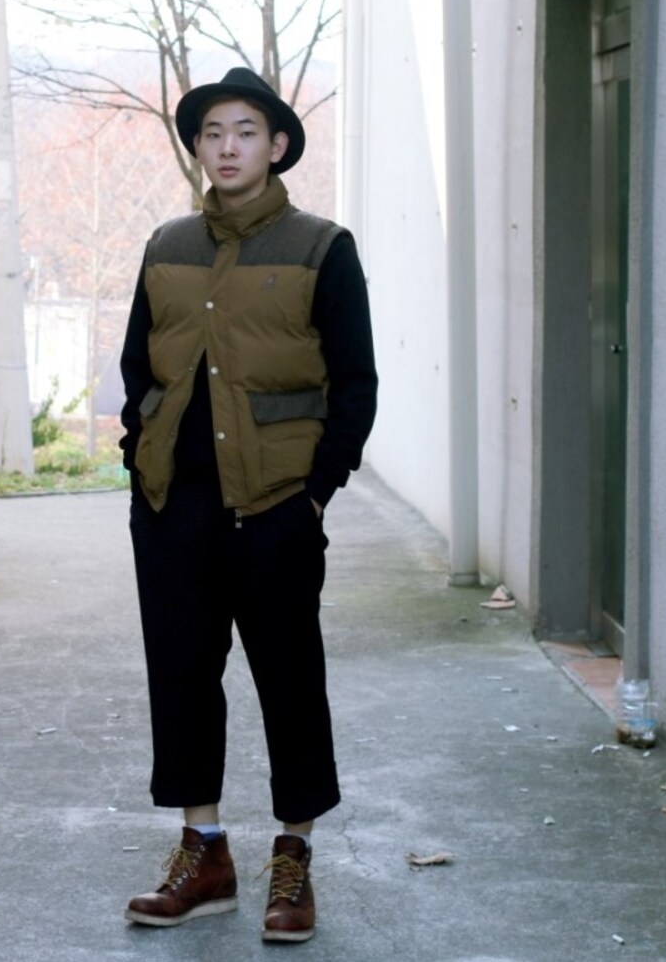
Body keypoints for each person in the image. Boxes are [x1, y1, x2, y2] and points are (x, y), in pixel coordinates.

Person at [119, 67, 378, 944]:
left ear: (277, 146)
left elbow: (355, 383)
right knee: (183, 678)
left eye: (245, 132)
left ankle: (294, 858)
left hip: (275, 507)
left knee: (289, 680)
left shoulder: (321, 248)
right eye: (212, 133)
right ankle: (204, 855)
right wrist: (139, 465)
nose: (227, 148)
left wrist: (315, 495)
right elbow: (138, 367)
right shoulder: (167, 246)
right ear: (199, 147)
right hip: (174, 506)